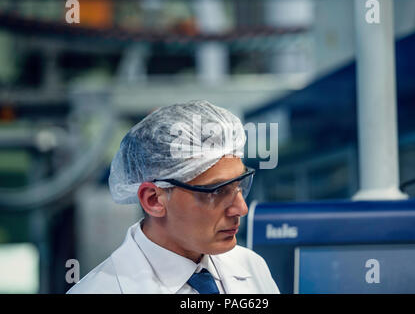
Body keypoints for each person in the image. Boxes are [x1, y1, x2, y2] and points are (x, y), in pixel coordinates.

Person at [67, 100, 279, 294]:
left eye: (240, 184)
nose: (241, 209)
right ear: (153, 199)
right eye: (217, 191)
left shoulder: (252, 266)